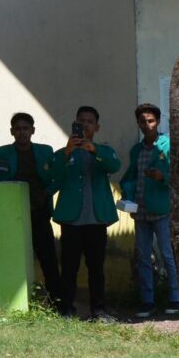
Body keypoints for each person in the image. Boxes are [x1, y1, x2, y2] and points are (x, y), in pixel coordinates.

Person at [0, 113, 65, 310]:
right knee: (11, 257)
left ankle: (58, 304)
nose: (22, 132)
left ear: (33, 131)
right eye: (18, 129)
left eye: (26, 128)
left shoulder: (45, 152)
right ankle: (10, 302)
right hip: (10, 215)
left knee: (48, 259)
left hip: (39, 212)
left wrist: (46, 193)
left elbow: (58, 177)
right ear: (12, 132)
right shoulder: (1, 153)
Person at [49, 106, 122, 319]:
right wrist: (67, 152)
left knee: (96, 268)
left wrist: (95, 151)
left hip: (97, 219)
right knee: (69, 267)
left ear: (97, 127)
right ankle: (67, 309)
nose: (85, 125)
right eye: (81, 121)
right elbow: (54, 176)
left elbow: (115, 166)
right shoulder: (62, 153)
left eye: (90, 121)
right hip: (71, 220)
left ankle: (98, 310)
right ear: (75, 124)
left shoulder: (104, 151)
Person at [120, 103, 179, 318]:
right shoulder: (136, 150)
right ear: (138, 123)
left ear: (158, 121)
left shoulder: (167, 145)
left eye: (151, 121)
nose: (147, 125)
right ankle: (147, 301)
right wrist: (127, 194)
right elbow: (131, 176)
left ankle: (175, 298)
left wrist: (163, 177)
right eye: (143, 121)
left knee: (167, 254)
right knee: (144, 256)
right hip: (141, 210)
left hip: (162, 209)